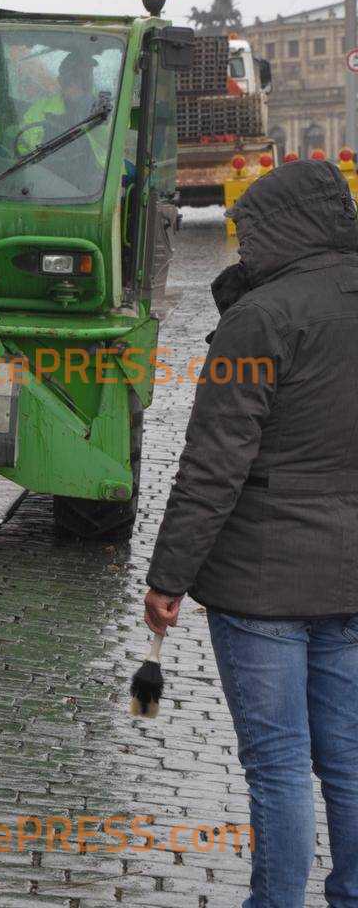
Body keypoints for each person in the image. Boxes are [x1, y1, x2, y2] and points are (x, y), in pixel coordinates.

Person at [144, 159, 358, 908]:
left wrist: (168, 579)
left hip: (264, 581)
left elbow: (211, 467)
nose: (243, 247)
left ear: (284, 229)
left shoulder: (261, 318)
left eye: (252, 231)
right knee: (351, 760)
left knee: (277, 763)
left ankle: (275, 902)